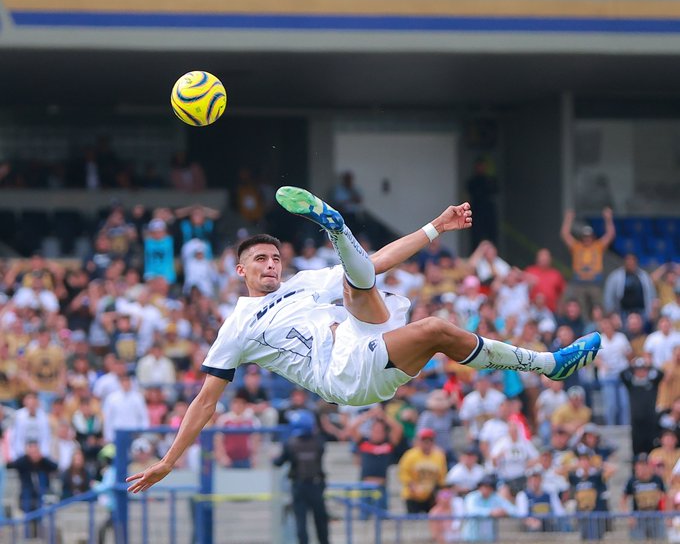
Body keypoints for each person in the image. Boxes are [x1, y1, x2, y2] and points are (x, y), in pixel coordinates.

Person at [127, 186, 601, 493]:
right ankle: (336, 228)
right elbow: (205, 402)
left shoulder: (304, 283)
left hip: (363, 337)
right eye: (260, 260)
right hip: (342, 375)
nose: (271, 265)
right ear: (241, 270)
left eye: (275, 258)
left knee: (368, 283)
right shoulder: (236, 326)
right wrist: (170, 460)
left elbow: (379, 260)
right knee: (426, 324)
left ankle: (551, 364)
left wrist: (437, 226)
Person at [273, 409, 329, 544]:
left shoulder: (290, 444)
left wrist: (273, 457)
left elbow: (278, 462)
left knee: (301, 522)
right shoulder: (319, 442)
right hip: (316, 486)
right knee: (321, 522)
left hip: (299, 486)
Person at [560, 208, 615, 318]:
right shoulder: (577, 247)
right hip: (579, 283)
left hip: (595, 283)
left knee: (599, 307)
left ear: (592, 237)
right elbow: (565, 235)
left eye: (589, 236)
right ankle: (585, 330)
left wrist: (608, 219)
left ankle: (600, 328)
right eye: (585, 236)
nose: (587, 239)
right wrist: (568, 219)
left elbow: (610, 235)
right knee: (581, 309)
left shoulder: (597, 246)